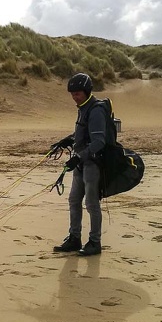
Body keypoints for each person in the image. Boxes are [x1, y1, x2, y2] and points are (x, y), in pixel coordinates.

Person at [50, 73, 113, 256]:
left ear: (86, 92)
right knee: (74, 200)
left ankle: (95, 242)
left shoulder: (96, 110)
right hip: (81, 163)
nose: (74, 97)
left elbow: (98, 141)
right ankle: (74, 238)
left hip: (93, 164)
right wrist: (66, 141)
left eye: (77, 93)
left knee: (91, 203)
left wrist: (79, 157)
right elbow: (82, 134)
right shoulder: (84, 108)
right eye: (72, 94)